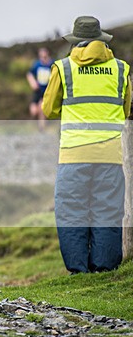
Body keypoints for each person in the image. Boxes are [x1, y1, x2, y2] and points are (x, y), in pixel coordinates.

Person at [42, 16, 130, 274]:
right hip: (111, 155)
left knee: (72, 212)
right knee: (108, 210)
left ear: (75, 42)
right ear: (102, 40)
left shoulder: (63, 68)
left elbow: (48, 110)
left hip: (73, 155)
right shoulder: (121, 69)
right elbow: (125, 110)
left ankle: (78, 271)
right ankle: (104, 268)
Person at [27, 47, 54, 131]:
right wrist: (33, 83)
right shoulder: (37, 64)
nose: (43, 58)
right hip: (38, 90)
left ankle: (42, 126)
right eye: (41, 56)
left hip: (47, 91)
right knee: (34, 110)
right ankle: (35, 124)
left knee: (42, 108)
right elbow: (29, 74)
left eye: (44, 56)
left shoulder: (52, 64)